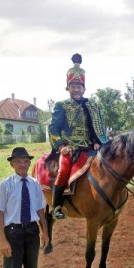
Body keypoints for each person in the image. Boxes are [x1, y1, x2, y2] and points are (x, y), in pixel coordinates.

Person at [48, 53, 108, 219]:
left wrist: (97, 142)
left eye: (79, 86)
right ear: (68, 88)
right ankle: (57, 206)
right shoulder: (61, 106)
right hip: (69, 148)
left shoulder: (92, 107)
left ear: (84, 88)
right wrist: (61, 147)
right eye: (73, 86)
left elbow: (98, 128)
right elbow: (53, 129)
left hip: (89, 148)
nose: (76, 89)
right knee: (64, 169)